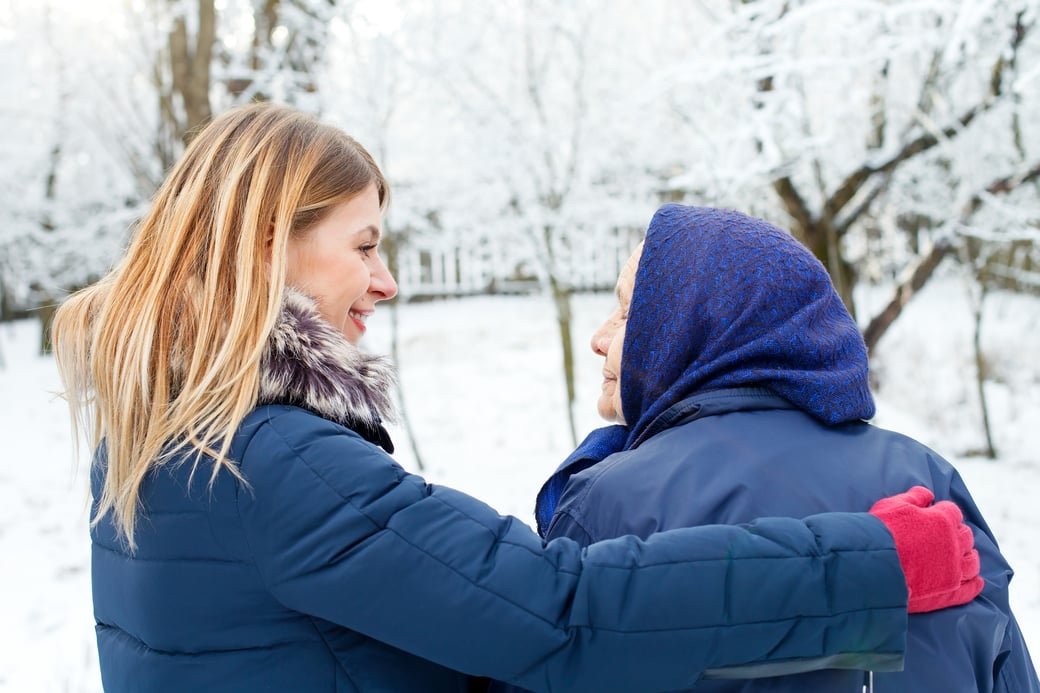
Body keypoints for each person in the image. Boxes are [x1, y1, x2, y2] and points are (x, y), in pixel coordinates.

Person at [52, 104, 982, 693]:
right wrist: (873, 565)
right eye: (365, 244)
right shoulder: (274, 463)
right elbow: (560, 610)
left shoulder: (155, 435)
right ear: (267, 246)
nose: (385, 283)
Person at [521, 204, 1038, 692]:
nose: (597, 337)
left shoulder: (613, 502)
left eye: (628, 312)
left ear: (693, 325)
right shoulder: (925, 474)